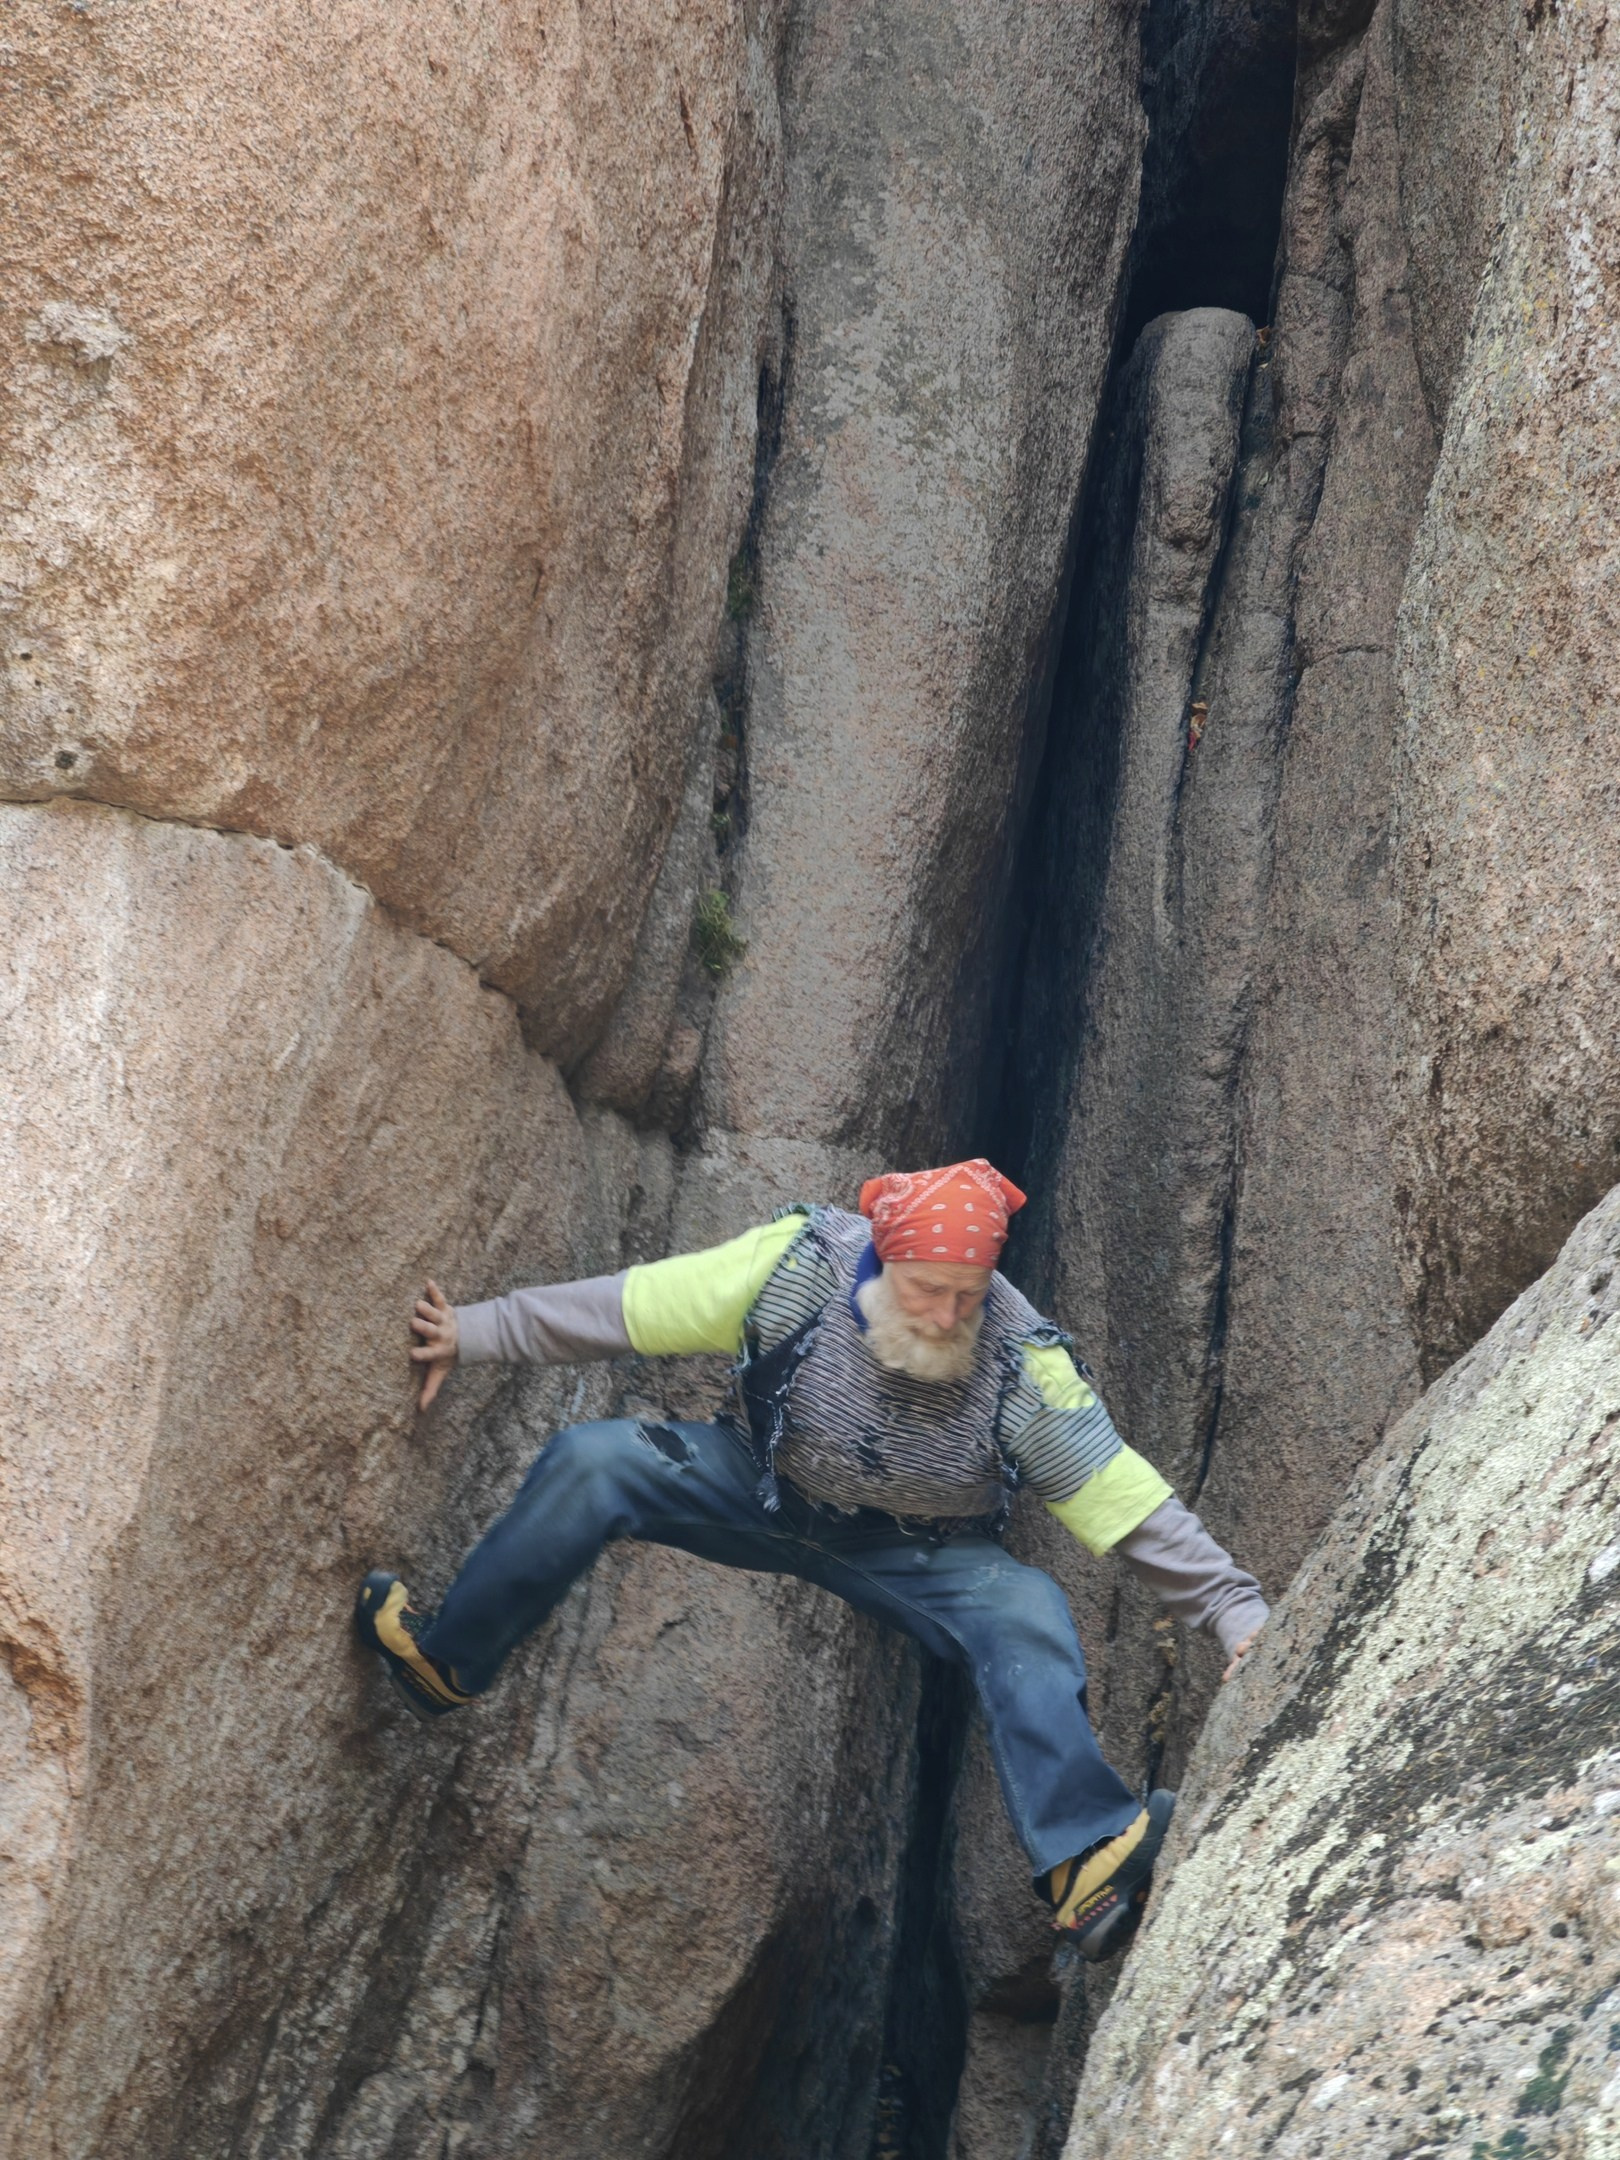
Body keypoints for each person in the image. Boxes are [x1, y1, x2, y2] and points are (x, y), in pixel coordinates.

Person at [355, 1160, 1267, 1962]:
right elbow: (627, 1308)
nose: (949, 1315)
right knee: (594, 1463)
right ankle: (445, 1661)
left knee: (1024, 1607)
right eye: (926, 1289)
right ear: (882, 1255)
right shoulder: (798, 1268)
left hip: (913, 1551)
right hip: (754, 1487)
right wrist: (473, 1332)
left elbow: (1129, 1502)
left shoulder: (1022, 1367)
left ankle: (1083, 1861)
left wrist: (1237, 1613)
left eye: (968, 1294)